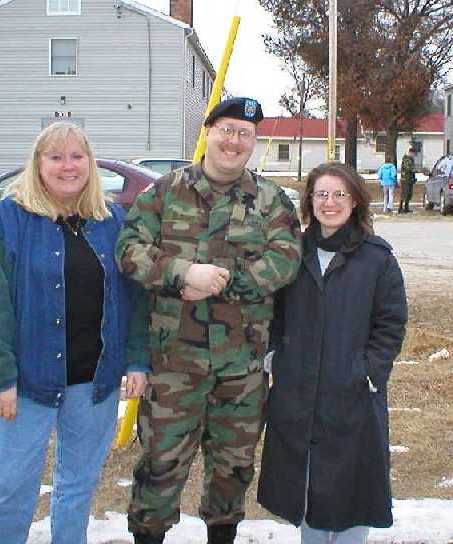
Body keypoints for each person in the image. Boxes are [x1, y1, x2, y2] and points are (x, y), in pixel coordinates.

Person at [116, 97, 303, 544]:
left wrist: (218, 281)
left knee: (233, 469)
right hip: (173, 364)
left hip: (242, 367)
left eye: (245, 134)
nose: (234, 142)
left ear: (253, 143)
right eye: (227, 130)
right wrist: (181, 274)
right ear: (209, 133)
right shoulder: (165, 191)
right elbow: (128, 248)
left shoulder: (272, 200)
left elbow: (286, 260)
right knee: (160, 466)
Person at [0, 121, 149, 544]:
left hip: (94, 385)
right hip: (25, 386)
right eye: (56, 157)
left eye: (77, 156)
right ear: (38, 164)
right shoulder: (9, 220)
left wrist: (136, 358)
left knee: (77, 487)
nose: (68, 166)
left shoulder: (112, 220)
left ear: (90, 163)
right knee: (11, 490)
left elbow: (134, 297)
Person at [257, 161, 408, 544]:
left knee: (353, 487)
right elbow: (273, 311)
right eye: (322, 194)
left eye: (340, 194)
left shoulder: (377, 258)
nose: (330, 202)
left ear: (355, 200)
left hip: (353, 394)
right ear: (309, 201)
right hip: (298, 394)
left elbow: (391, 323)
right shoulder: (292, 253)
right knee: (307, 487)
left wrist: (370, 373)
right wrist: (277, 356)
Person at [397, 146, 418, 213]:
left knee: (409, 194)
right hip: (405, 179)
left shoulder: (411, 159)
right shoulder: (406, 158)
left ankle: (406, 208)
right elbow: (407, 168)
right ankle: (400, 208)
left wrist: (414, 177)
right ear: (411, 152)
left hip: (410, 179)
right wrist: (414, 170)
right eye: (414, 154)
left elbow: (412, 169)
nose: (414, 155)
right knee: (404, 194)